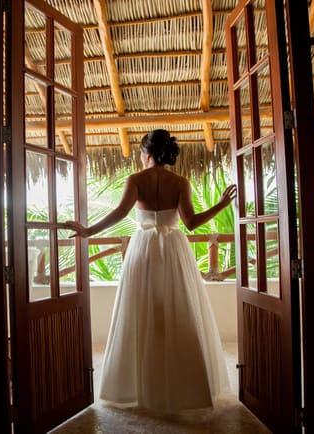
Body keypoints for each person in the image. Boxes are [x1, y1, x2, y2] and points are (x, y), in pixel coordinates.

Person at [66, 129, 237, 414]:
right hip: (173, 250)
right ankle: (184, 387)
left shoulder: (136, 180)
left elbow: (119, 213)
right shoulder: (180, 182)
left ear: (145, 153)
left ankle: (139, 384)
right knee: (179, 311)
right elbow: (192, 223)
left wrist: (88, 231)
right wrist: (220, 205)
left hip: (143, 250)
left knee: (140, 312)